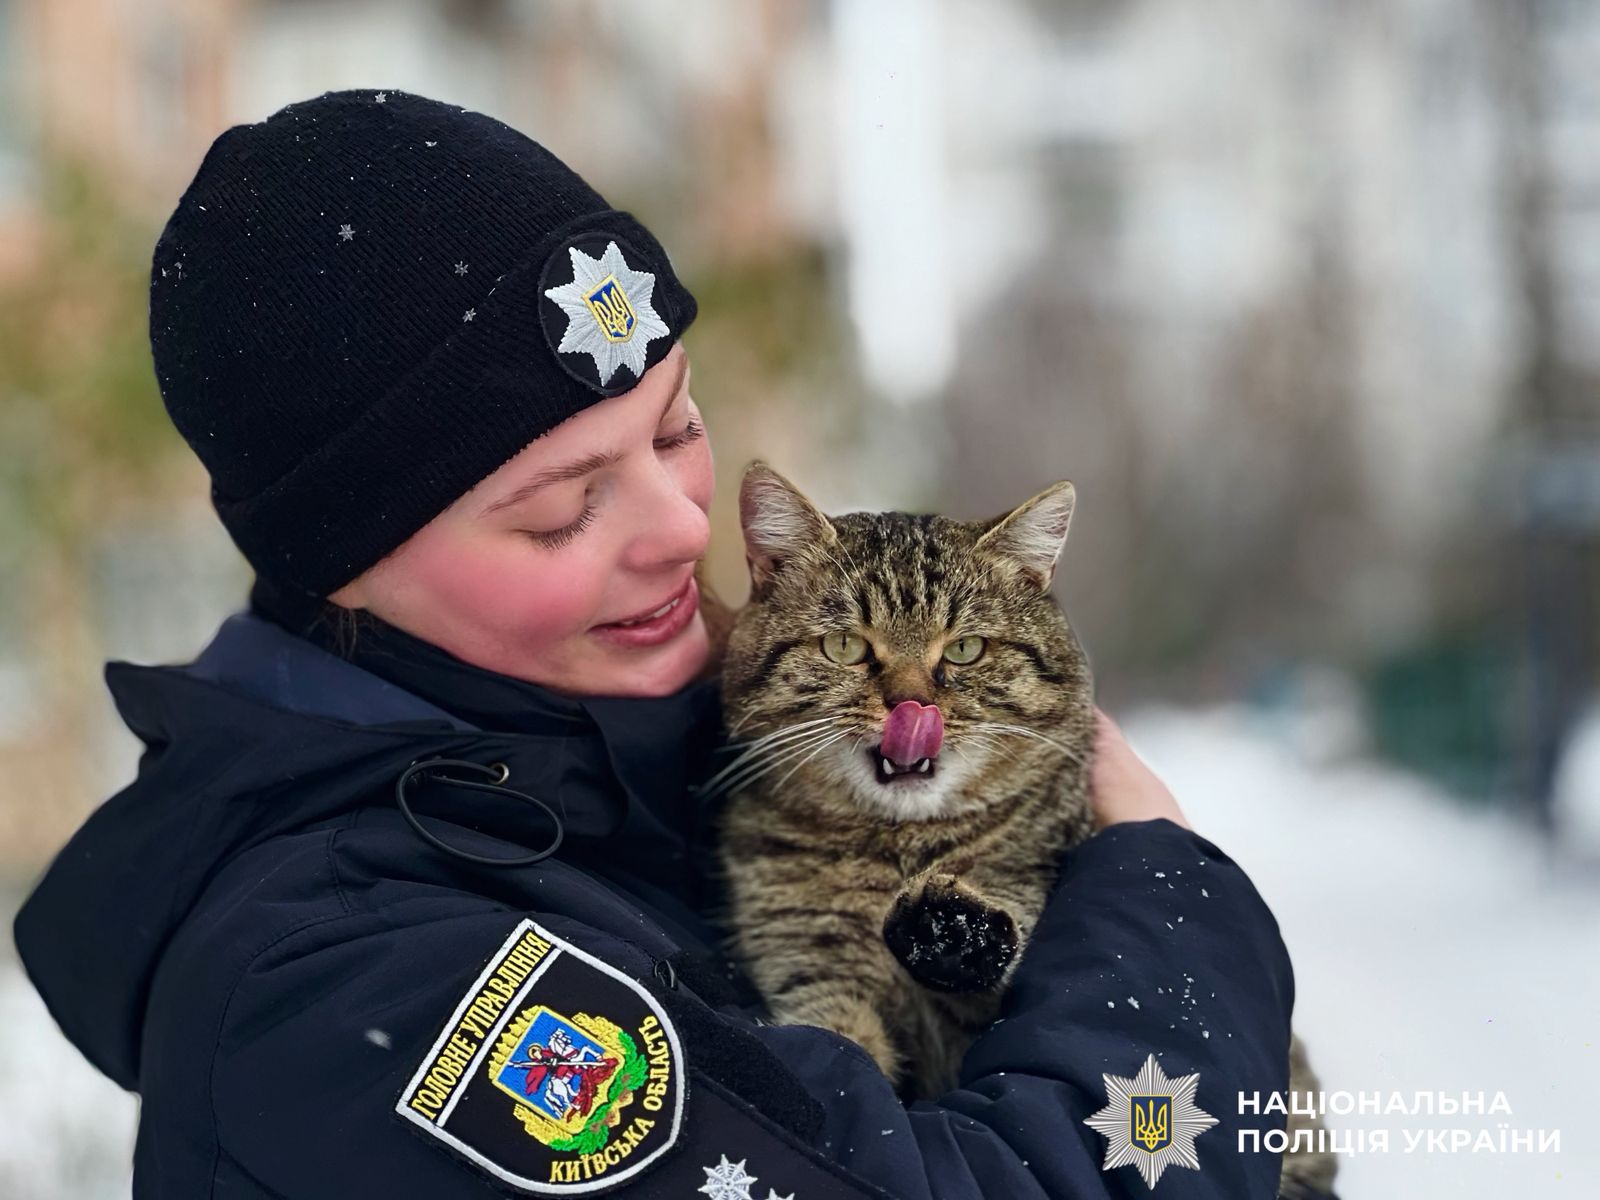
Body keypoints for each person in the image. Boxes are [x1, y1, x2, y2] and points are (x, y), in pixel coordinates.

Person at [13, 89, 1317, 1199]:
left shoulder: (698, 736)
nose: (676, 525)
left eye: (678, 427)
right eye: (563, 508)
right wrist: (1163, 900)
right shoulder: (352, 985)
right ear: (345, 564)